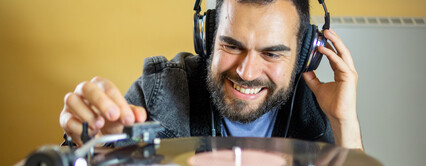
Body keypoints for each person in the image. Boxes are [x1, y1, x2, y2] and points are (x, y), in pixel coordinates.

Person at [59, 0, 363, 150]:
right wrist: (94, 146)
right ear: (206, 39)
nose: (246, 71)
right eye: (231, 45)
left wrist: (343, 122)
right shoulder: (161, 90)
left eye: (271, 53)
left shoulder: (317, 106)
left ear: (305, 56)